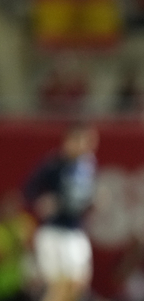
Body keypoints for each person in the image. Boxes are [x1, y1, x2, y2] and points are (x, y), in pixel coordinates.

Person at [24, 124, 99, 301]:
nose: (84, 146)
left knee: (77, 284)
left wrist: (92, 203)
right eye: (80, 140)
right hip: (54, 232)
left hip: (75, 230)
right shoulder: (53, 165)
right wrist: (42, 201)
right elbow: (29, 189)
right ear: (68, 141)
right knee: (59, 286)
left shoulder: (88, 166)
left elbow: (81, 198)